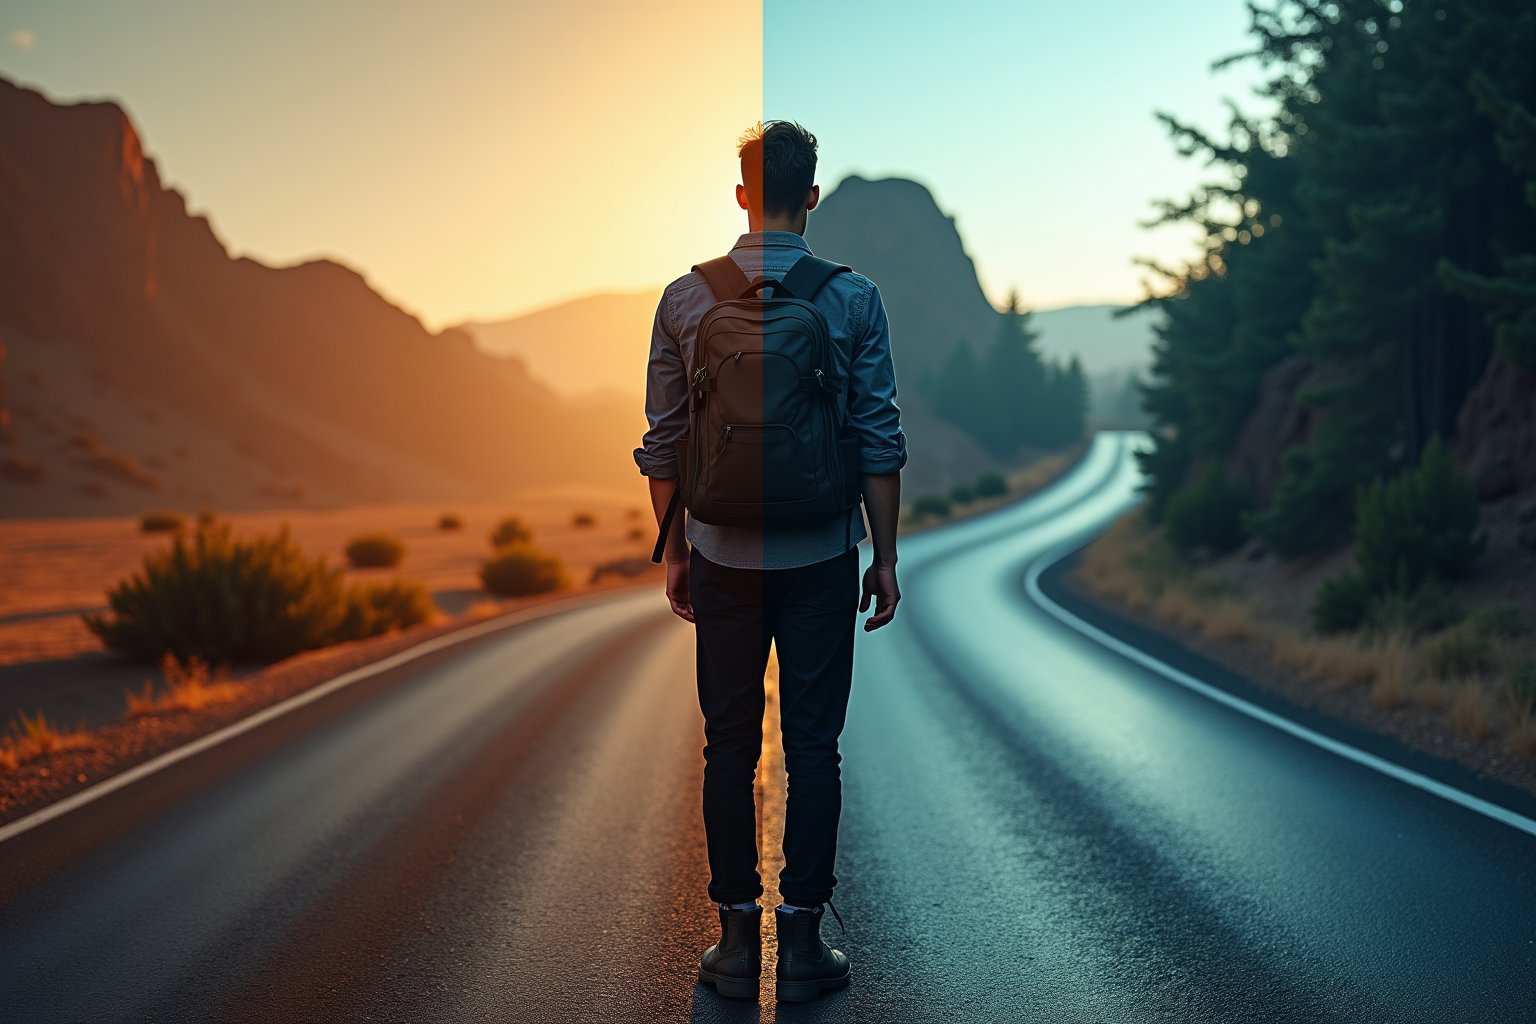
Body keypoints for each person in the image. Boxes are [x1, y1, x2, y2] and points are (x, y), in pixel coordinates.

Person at [632, 119, 906, 1003]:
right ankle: (804, 944)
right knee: (814, 748)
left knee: (728, 746)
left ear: (743, 195)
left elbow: (663, 443)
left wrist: (676, 551)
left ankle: (736, 941)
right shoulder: (853, 300)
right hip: (823, 551)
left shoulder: (685, 299)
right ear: (811, 198)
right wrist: (886, 555)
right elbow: (877, 437)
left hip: (718, 553)